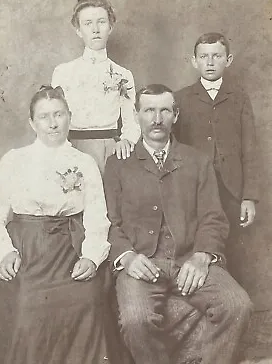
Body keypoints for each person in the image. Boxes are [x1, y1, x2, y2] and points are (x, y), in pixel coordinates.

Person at [103, 84, 253, 364]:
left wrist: (202, 255)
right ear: (137, 115)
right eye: (149, 110)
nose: (157, 119)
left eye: (164, 110)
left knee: (237, 305)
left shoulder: (197, 161)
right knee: (136, 321)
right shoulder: (118, 165)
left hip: (189, 259)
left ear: (176, 115)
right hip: (142, 262)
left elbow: (213, 217)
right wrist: (128, 256)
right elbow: (109, 222)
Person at [0, 85, 110, 364]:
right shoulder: (14, 160)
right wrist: (4, 253)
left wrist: (91, 258)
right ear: (32, 123)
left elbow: (97, 216)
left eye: (59, 114)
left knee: (85, 301)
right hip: (25, 249)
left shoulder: (84, 163)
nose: (52, 123)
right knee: (28, 307)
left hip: (69, 247)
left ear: (69, 117)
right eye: (44, 117)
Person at [174, 33, 259, 276]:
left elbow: (250, 149)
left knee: (234, 246)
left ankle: (235, 304)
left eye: (217, 56)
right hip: (194, 187)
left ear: (228, 60)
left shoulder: (239, 98)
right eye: (204, 57)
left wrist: (249, 197)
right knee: (198, 241)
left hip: (232, 188)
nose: (210, 62)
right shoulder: (181, 98)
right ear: (194, 61)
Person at [51, 0, 140, 173]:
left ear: (110, 26)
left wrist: (127, 140)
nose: (95, 29)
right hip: (72, 148)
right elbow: (55, 116)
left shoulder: (122, 74)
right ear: (78, 30)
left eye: (101, 22)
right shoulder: (63, 72)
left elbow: (132, 122)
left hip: (110, 151)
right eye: (87, 23)